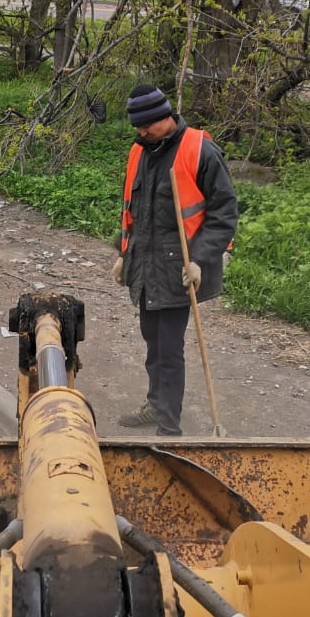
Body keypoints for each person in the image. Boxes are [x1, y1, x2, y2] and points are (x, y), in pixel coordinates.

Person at [111, 85, 238, 437]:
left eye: (146, 126)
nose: (140, 133)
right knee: (152, 341)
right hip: (146, 266)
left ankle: (169, 426)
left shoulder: (201, 150)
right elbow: (132, 210)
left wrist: (200, 260)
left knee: (168, 348)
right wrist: (123, 254)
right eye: (137, 127)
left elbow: (225, 212)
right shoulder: (140, 151)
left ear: (164, 117)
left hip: (181, 268)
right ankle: (156, 405)